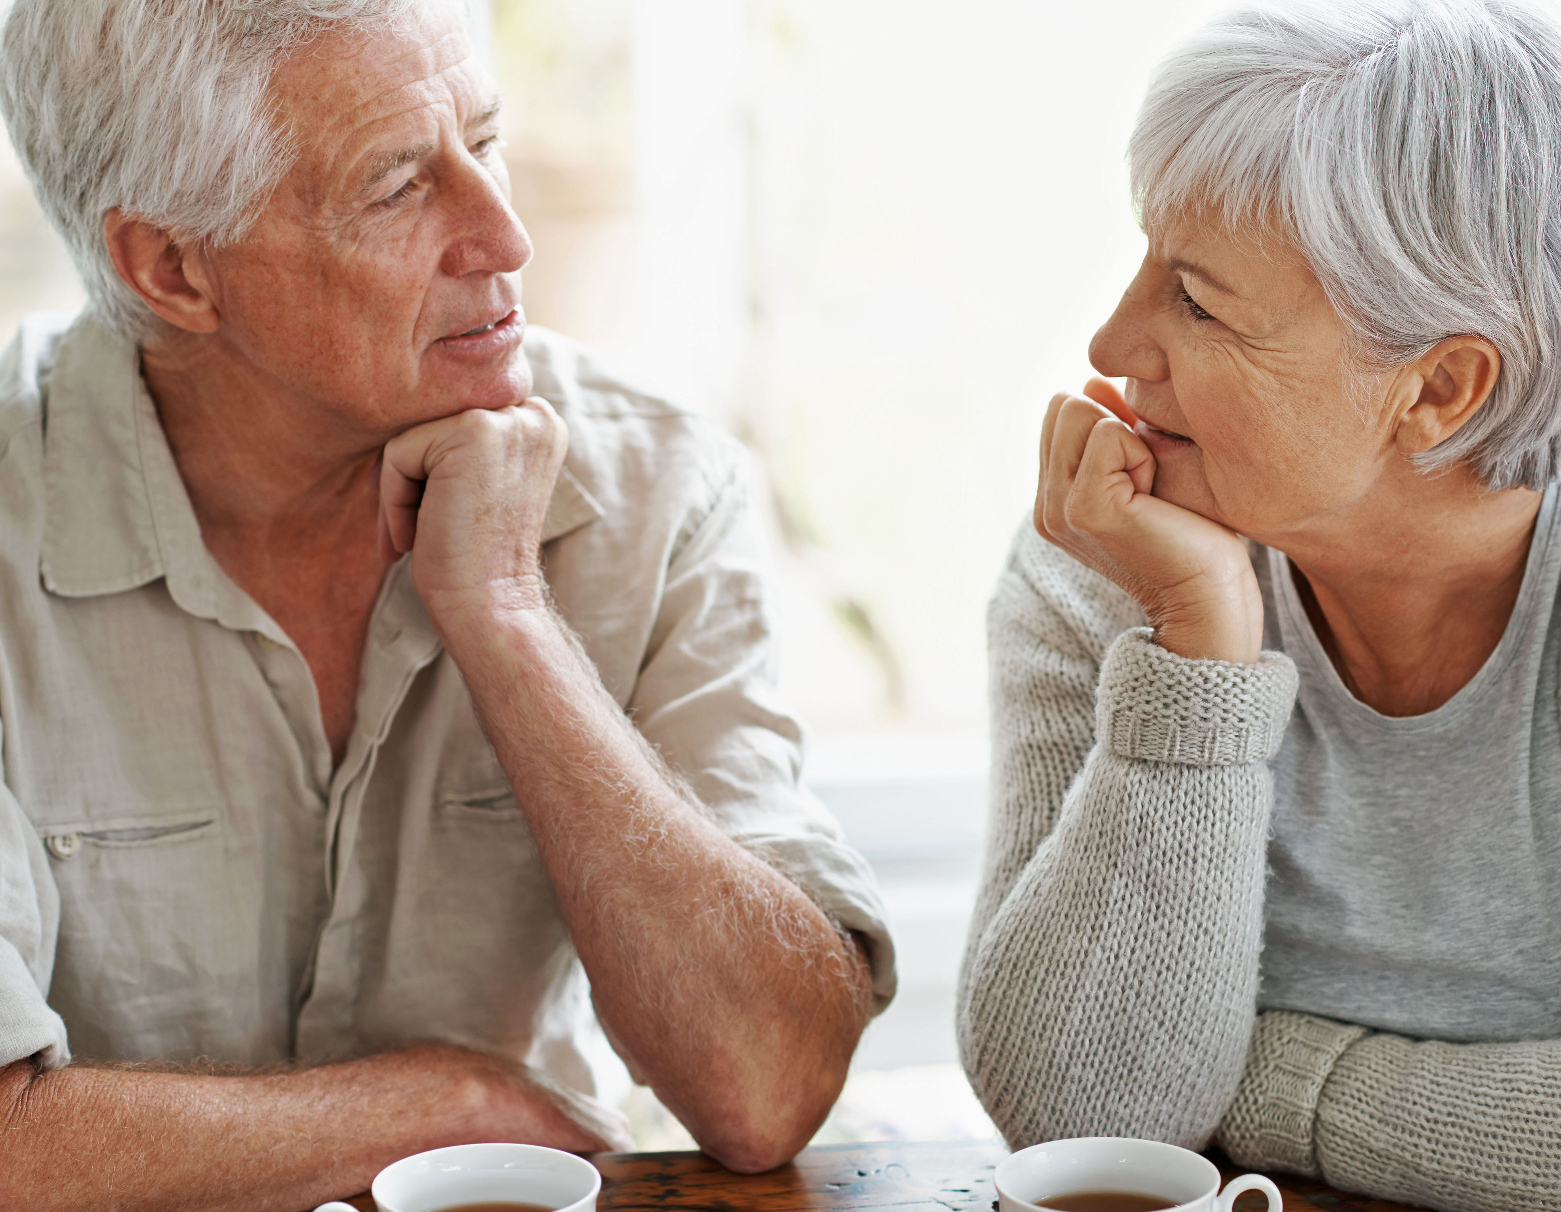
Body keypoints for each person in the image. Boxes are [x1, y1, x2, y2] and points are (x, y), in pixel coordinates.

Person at [0, 1, 895, 1208]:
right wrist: (451, 1107)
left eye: (488, 139)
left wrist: (510, 618)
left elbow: (764, 1086)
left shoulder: (652, 483)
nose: (507, 234)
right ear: (172, 268)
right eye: (397, 185)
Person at [957, 0, 1561, 1207]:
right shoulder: (1106, 565)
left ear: (1440, 389)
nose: (1110, 341)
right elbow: (1080, 1127)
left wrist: (1249, 1074)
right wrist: (1197, 654)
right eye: (1144, 262)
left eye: (1198, 302)